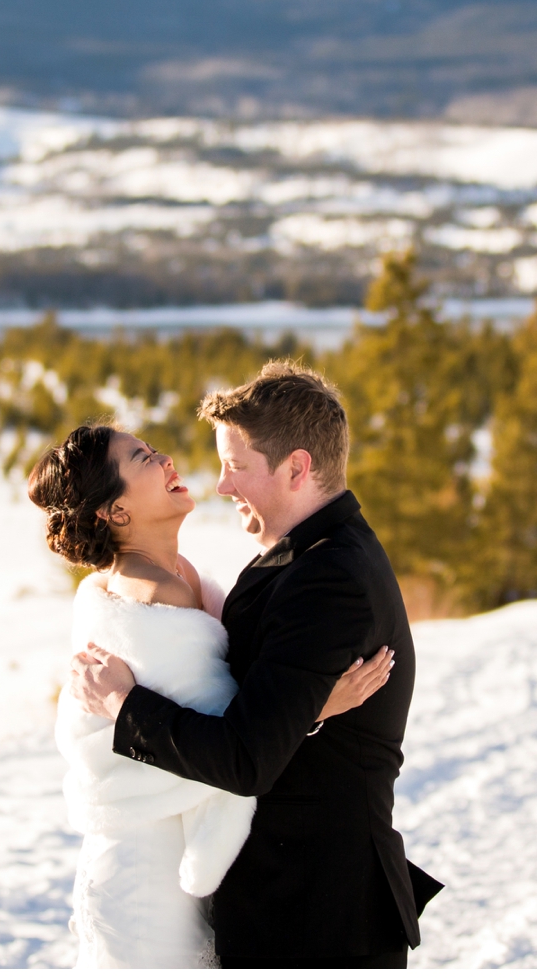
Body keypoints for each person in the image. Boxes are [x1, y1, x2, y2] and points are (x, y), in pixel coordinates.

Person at [68, 362, 442, 968]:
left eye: (236, 466)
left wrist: (121, 704)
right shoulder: (299, 557)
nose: (221, 485)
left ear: (297, 468)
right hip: (279, 901)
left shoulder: (328, 578)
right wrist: (312, 709)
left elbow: (245, 756)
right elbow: (254, 709)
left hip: (316, 912)